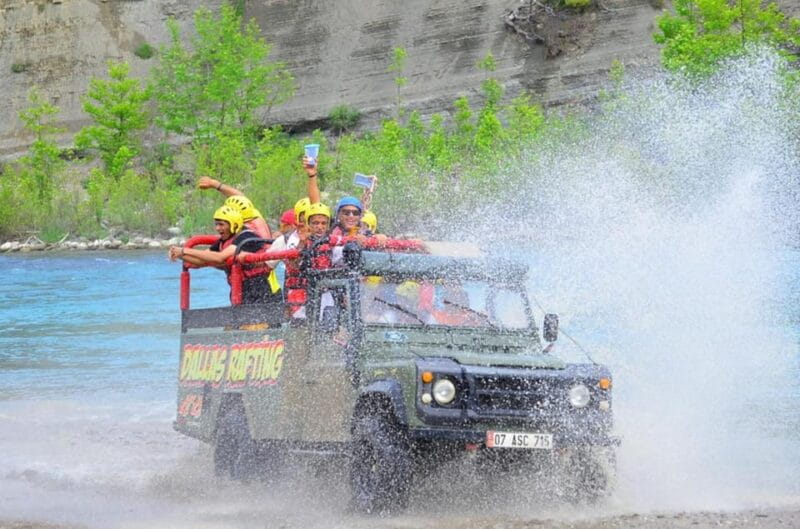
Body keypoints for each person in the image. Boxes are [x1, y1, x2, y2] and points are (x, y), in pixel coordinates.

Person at [168, 205, 273, 304]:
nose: (217, 228)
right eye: (216, 224)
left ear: (233, 224)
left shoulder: (246, 237)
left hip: (259, 290)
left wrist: (184, 251)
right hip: (238, 290)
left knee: (254, 322)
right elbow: (201, 261)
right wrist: (179, 255)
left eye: (221, 224)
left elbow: (220, 258)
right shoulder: (223, 241)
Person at [197, 176, 271, 239]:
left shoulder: (248, 231)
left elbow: (219, 256)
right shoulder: (251, 214)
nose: (217, 228)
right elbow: (241, 198)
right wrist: (215, 184)